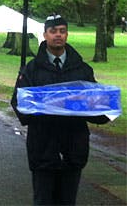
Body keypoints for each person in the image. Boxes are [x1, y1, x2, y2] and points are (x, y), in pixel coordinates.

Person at [10, 14, 109, 206]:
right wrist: (45, 107)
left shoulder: (82, 70)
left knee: (67, 201)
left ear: (67, 35)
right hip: (43, 148)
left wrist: (105, 109)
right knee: (43, 201)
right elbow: (19, 104)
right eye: (53, 31)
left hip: (73, 147)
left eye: (62, 31)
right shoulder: (31, 70)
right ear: (45, 35)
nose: (58, 35)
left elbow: (96, 107)